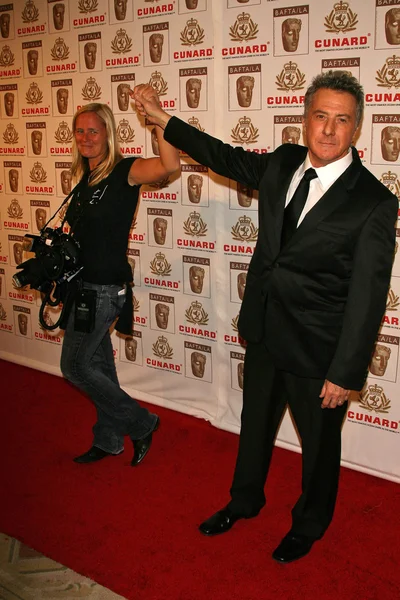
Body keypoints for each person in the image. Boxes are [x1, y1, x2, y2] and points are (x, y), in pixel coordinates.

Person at [132, 72, 397, 562]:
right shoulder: (283, 162)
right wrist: (165, 120)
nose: (329, 130)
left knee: (319, 446)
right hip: (266, 329)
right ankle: (245, 500)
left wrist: (345, 371)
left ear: (356, 128)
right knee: (254, 424)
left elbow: (368, 297)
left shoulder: (374, 203)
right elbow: (222, 156)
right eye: (321, 116)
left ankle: (310, 523)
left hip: (319, 349)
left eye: (342, 120)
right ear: (305, 119)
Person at [60, 100, 180, 467]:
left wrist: (158, 119)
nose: (85, 137)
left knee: (75, 368)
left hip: (105, 289)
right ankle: (109, 438)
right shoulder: (84, 178)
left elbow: (170, 165)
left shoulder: (125, 171)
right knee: (99, 368)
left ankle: (142, 423)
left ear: (108, 134)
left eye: (93, 130)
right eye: (80, 131)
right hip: (83, 287)